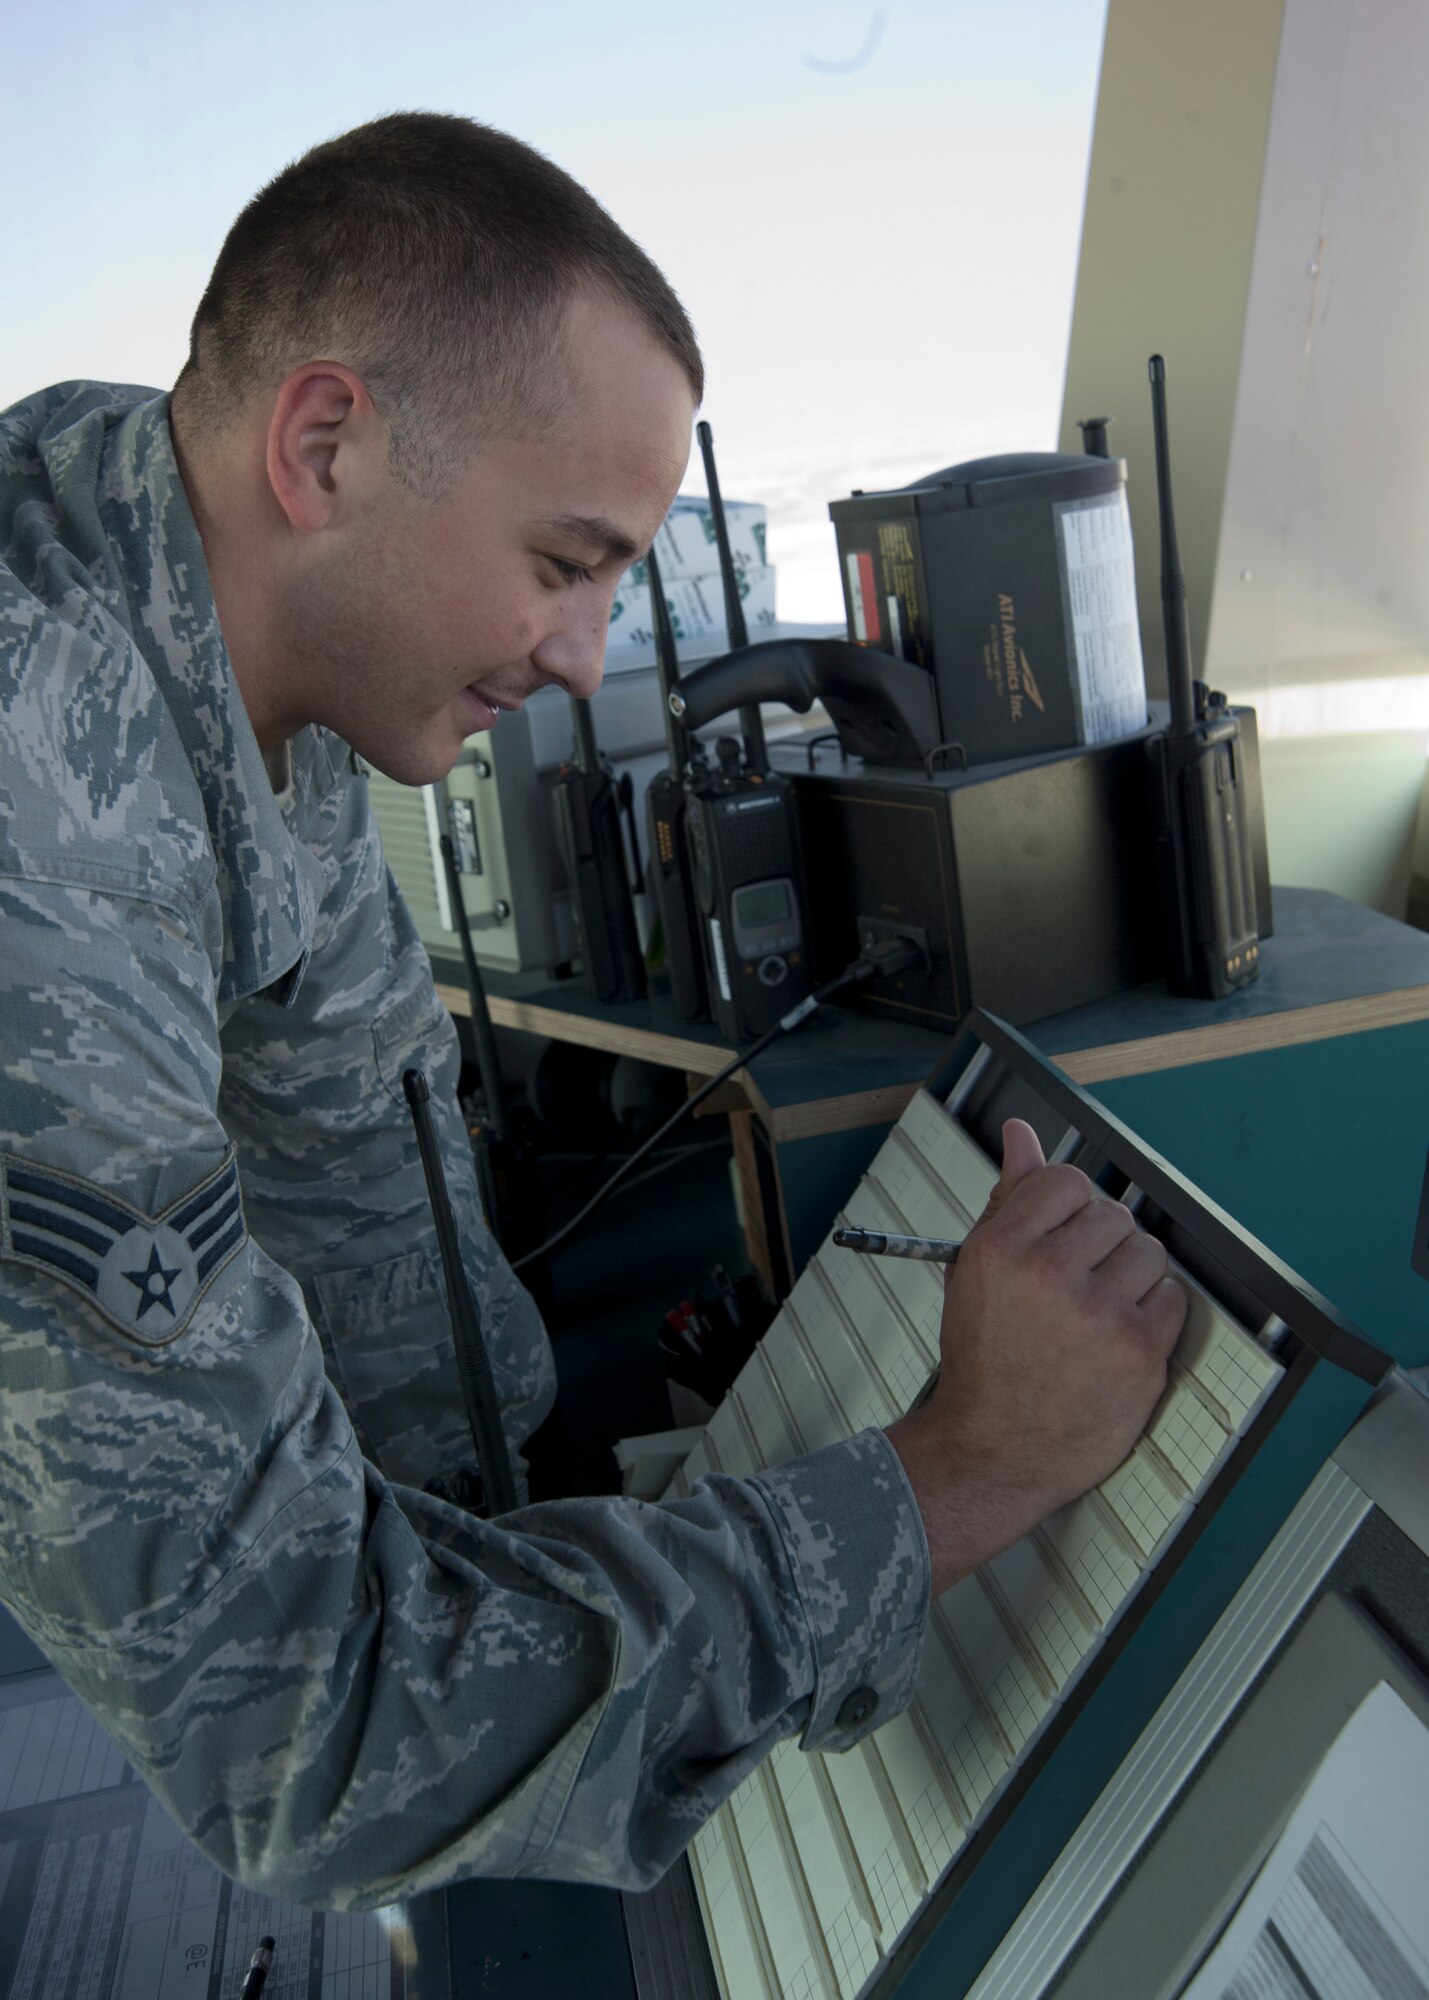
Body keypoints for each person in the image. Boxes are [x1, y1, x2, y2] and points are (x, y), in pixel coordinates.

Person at [0, 111, 1185, 1910]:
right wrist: (953, 1476)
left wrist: (561, 1535)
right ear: (323, 444)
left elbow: (364, 1194)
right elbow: (305, 1736)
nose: (584, 652)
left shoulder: (242, 634)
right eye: (565, 563)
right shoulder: (44, 807)